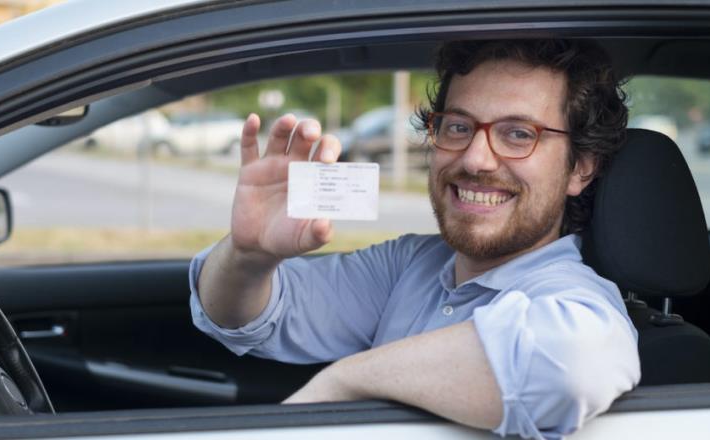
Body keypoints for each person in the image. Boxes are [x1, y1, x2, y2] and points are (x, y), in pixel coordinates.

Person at [189, 39, 641, 440]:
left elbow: (577, 365)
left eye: (518, 134)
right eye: (458, 127)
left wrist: (345, 381)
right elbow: (243, 317)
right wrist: (248, 255)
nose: (476, 158)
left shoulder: (573, 297)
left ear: (580, 168)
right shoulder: (408, 265)